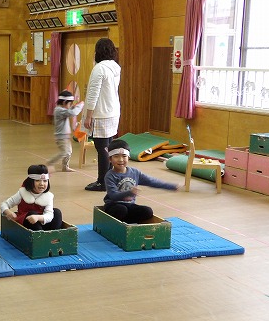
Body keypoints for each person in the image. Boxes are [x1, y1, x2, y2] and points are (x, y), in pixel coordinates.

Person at [103, 139, 179, 223]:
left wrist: (171, 186)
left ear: (129, 157)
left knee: (147, 211)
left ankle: (127, 223)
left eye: (124, 156)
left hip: (129, 205)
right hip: (113, 205)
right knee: (121, 210)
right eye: (116, 156)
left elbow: (152, 181)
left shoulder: (135, 172)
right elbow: (113, 195)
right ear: (110, 159)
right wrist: (129, 192)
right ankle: (125, 223)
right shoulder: (110, 175)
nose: (121, 160)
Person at [83, 38, 122, 191]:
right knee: (108, 148)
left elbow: (93, 94)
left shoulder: (99, 68)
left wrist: (88, 116)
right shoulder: (115, 67)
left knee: (102, 149)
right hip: (113, 112)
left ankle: (103, 182)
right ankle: (110, 180)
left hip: (101, 113)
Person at [0, 164, 63, 231]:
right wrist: (8, 212)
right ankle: (38, 236)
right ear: (31, 182)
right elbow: (4, 204)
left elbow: (49, 215)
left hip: (42, 222)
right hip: (26, 223)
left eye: (45, 181)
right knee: (32, 213)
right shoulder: (23, 193)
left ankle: (55, 234)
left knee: (56, 212)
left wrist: (38, 217)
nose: (41, 184)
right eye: (37, 180)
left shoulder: (48, 196)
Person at [46, 90, 84, 172]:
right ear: (64, 102)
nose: (70, 106)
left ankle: (65, 167)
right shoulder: (59, 110)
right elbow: (72, 113)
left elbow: (70, 110)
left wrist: (73, 106)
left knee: (69, 152)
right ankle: (50, 162)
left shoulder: (62, 109)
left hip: (65, 136)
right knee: (64, 152)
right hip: (61, 137)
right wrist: (80, 106)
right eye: (69, 104)